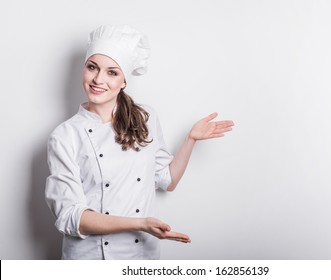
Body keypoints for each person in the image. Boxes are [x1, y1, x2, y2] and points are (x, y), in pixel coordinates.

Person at [45, 24, 234, 260]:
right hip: (90, 258)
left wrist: (190, 139)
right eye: (92, 67)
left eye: (112, 72)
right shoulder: (65, 135)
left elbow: (168, 180)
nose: (98, 79)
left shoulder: (146, 118)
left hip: (140, 256)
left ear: (124, 80)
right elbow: (71, 216)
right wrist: (140, 223)